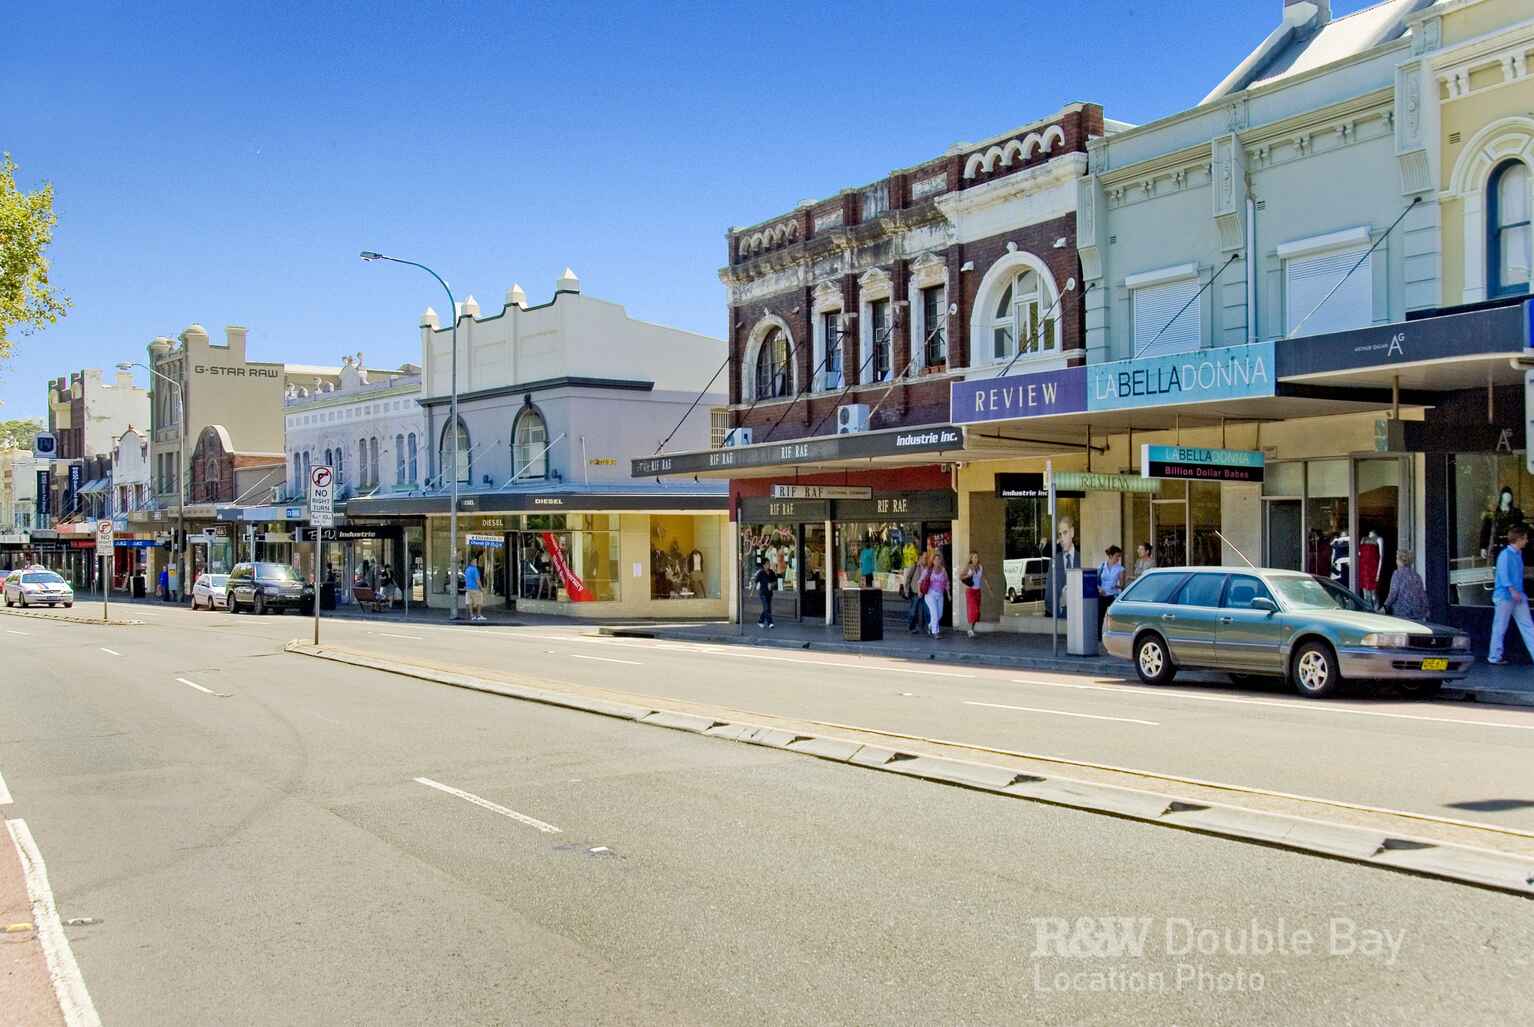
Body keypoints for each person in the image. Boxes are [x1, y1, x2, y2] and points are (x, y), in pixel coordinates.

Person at [1489, 526, 1534, 665]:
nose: (1527, 541)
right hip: (1505, 597)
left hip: (1517, 596)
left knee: (1528, 626)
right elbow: (1503, 575)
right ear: (1519, 539)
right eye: (1525, 538)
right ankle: (1494, 657)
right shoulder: (1505, 555)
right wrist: (1513, 590)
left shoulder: (1518, 554)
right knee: (1500, 627)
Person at [1382, 549, 1429, 622]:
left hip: (1402, 614)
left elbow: (1393, 593)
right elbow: (1422, 595)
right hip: (1417, 614)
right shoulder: (1416, 575)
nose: (1396, 561)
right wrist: (1426, 611)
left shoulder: (1397, 574)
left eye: (1396, 558)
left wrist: (1385, 607)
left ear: (1400, 560)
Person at [1097, 546, 1125, 641]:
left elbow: (1121, 585)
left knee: (1113, 617)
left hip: (1113, 596)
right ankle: (1099, 638)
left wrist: (1116, 585)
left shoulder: (1120, 569)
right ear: (1110, 555)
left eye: (1119, 556)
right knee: (1100, 617)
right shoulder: (1101, 566)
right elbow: (1096, 581)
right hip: (1102, 595)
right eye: (1117, 556)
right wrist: (1099, 588)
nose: (1118, 558)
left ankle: (1114, 637)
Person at [959, 552, 985, 639]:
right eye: (975, 557)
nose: (976, 559)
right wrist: (969, 575)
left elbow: (983, 577)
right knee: (973, 611)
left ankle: (971, 629)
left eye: (977, 557)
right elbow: (961, 577)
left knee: (977, 612)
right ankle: (969, 630)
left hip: (978, 591)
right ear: (971, 559)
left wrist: (989, 587)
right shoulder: (969, 567)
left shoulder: (980, 567)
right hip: (970, 591)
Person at [924, 552, 949, 640]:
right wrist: (920, 591)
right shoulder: (929, 570)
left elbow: (946, 582)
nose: (937, 561)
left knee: (940, 615)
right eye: (935, 559)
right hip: (930, 595)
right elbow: (920, 580)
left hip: (940, 595)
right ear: (933, 561)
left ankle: (930, 625)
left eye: (939, 559)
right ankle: (935, 633)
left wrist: (948, 594)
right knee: (934, 613)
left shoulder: (943, 570)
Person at [905, 552, 930, 634]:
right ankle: (911, 627)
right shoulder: (915, 566)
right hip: (915, 592)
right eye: (924, 558)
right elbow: (908, 578)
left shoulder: (928, 568)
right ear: (920, 558)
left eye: (927, 558)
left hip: (925, 592)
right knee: (913, 611)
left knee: (925, 611)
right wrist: (907, 590)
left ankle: (924, 627)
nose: (926, 560)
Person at [752, 557, 778, 629]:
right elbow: (755, 582)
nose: (768, 565)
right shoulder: (761, 573)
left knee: (767, 608)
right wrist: (751, 593)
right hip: (762, 593)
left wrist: (772, 584)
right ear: (763, 565)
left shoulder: (771, 572)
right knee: (766, 608)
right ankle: (770, 623)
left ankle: (760, 621)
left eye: (769, 563)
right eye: (767, 564)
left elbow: (775, 582)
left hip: (769, 593)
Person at [464, 557, 486, 622]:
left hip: (468, 588)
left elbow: (466, 579)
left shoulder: (467, 569)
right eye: (475, 561)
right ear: (471, 562)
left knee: (470, 602)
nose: (476, 562)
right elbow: (477, 580)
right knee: (480, 601)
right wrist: (481, 588)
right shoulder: (475, 569)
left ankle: (472, 616)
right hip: (475, 588)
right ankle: (478, 615)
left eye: (476, 561)